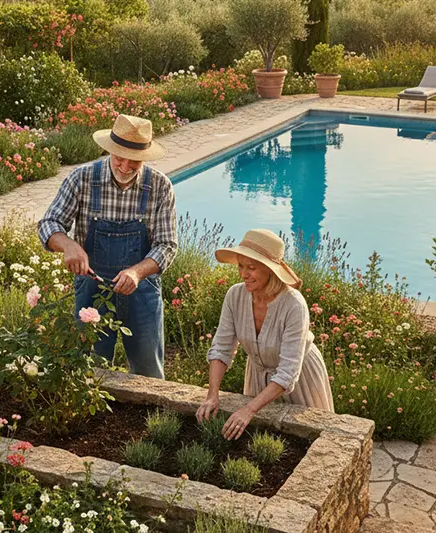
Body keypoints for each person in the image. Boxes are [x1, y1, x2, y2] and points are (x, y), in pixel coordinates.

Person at [38, 114, 177, 379]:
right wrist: (67, 245)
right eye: (119, 157)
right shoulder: (82, 178)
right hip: (92, 288)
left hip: (142, 292)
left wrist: (136, 272)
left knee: (149, 372)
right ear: (109, 149)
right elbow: (49, 223)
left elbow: (167, 245)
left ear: (145, 157)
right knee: (89, 370)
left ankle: (152, 420)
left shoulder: (160, 186)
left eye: (134, 161)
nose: (125, 166)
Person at [195, 229, 335, 440]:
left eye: (251, 268)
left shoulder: (294, 305)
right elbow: (222, 348)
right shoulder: (235, 295)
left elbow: (288, 372)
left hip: (301, 377)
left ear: (271, 270)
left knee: (305, 443)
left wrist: (248, 410)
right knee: (259, 441)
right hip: (258, 377)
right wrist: (212, 395)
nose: (243, 274)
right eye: (241, 266)